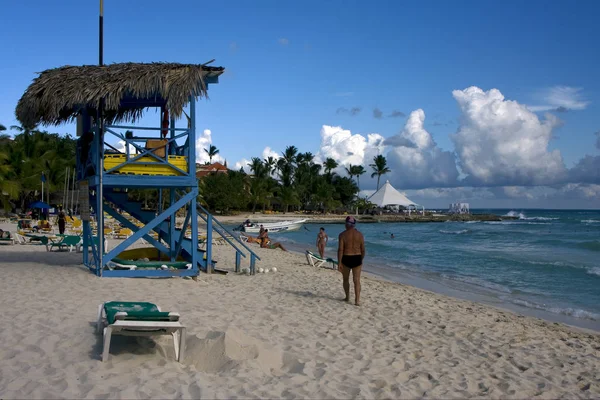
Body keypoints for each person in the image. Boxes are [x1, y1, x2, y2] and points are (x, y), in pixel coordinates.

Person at [338, 216, 365, 306]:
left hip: (346, 257)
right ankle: (357, 301)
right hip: (357, 257)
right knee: (356, 280)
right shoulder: (360, 235)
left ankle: (347, 297)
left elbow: (340, 250)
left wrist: (339, 263)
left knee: (346, 279)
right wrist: (360, 259)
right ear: (354, 225)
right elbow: (363, 250)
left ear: (346, 224)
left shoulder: (342, 235)